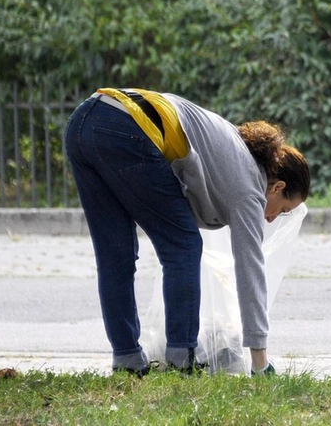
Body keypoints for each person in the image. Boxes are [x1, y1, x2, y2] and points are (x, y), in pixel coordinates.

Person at [64, 88, 310, 377]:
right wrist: (259, 359)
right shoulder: (249, 187)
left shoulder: (232, 152)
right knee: (183, 246)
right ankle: (183, 358)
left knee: (114, 253)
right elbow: (250, 269)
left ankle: (127, 359)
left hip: (83, 122)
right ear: (278, 186)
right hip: (128, 128)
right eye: (281, 210)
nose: (270, 220)